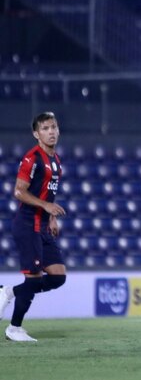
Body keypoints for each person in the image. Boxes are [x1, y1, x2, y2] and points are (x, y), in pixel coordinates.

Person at [0, 112, 67, 342]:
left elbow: (47, 192)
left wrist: (51, 216)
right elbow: (19, 191)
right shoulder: (32, 158)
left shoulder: (56, 160)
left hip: (42, 226)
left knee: (58, 276)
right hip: (27, 223)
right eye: (46, 128)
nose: (51, 132)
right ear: (36, 134)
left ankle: (9, 292)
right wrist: (46, 206)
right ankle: (14, 328)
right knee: (34, 278)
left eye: (54, 127)